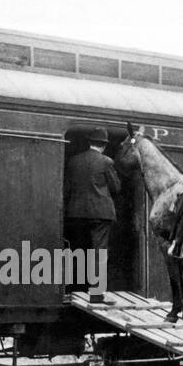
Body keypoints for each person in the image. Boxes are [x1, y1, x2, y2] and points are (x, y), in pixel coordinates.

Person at [63, 127, 120, 296]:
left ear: (89, 142)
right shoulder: (106, 162)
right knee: (99, 251)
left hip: (76, 212)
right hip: (100, 213)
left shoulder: (74, 161)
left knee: (78, 249)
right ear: (104, 145)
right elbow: (116, 187)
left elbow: (67, 188)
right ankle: (96, 290)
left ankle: (76, 289)